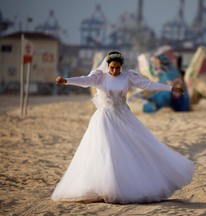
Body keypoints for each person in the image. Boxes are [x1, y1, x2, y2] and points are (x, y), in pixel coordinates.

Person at [51, 51, 195, 204]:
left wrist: (171, 88)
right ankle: (102, 187)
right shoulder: (99, 77)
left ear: (121, 66)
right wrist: (65, 80)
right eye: (112, 68)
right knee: (104, 151)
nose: (114, 71)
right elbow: (83, 80)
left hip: (124, 117)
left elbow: (148, 85)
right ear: (108, 66)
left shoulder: (127, 77)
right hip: (104, 118)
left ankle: (126, 186)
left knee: (132, 148)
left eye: (117, 68)